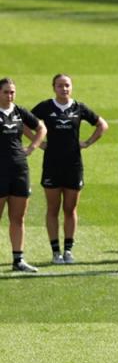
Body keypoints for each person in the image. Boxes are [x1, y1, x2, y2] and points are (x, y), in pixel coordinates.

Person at [32, 73, 108, 265]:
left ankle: (68, 250)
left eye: (67, 85)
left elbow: (102, 125)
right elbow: (25, 123)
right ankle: (55, 251)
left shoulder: (79, 108)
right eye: (60, 86)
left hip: (74, 165)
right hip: (52, 164)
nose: (64, 89)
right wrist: (38, 143)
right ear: (53, 88)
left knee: (70, 209)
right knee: (52, 209)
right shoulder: (45, 107)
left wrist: (88, 142)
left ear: (71, 87)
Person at [0, 77, 46, 273]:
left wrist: (32, 147)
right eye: (5, 92)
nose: (10, 95)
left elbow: (41, 128)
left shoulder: (19, 111)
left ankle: (18, 260)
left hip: (19, 170)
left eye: (12, 92)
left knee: (18, 217)